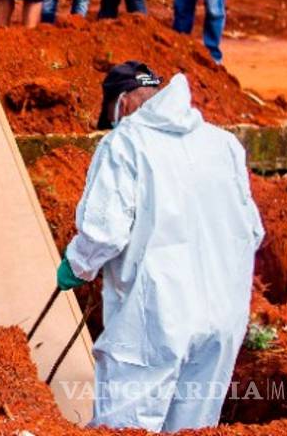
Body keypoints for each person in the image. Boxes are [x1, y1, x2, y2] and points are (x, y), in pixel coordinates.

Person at [57, 61, 264, 431]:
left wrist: (77, 264)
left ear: (123, 102)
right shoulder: (223, 144)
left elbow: (105, 233)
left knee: (127, 424)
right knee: (193, 426)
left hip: (154, 317)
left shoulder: (125, 143)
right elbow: (252, 230)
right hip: (223, 314)